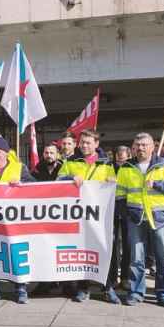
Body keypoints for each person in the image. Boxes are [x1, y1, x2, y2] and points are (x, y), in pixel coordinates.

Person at [117, 133, 164, 307]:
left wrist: (158, 184)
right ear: (133, 147)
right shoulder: (126, 167)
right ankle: (136, 292)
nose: (140, 148)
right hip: (136, 219)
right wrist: (127, 213)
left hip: (160, 218)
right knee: (136, 259)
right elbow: (120, 194)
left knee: (163, 258)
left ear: (153, 146)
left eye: (144, 145)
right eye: (137, 145)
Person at [57, 129, 117, 303]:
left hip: (100, 217)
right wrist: (70, 177)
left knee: (106, 251)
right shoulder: (70, 161)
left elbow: (114, 186)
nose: (84, 145)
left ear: (96, 144)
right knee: (83, 252)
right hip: (78, 216)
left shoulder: (106, 164)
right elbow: (59, 179)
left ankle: (108, 287)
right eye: (82, 142)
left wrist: (112, 182)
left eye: (88, 142)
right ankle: (83, 288)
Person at [0, 137, 36, 304]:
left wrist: (21, 182)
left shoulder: (19, 168)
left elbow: (34, 186)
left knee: (15, 254)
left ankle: (21, 289)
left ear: (7, 153)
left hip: (14, 221)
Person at [109, 145, 131, 294]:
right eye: (118, 157)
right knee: (113, 245)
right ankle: (112, 278)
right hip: (110, 211)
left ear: (129, 157)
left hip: (128, 211)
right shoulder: (108, 167)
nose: (120, 160)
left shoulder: (132, 168)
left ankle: (125, 277)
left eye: (123, 158)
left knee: (128, 246)